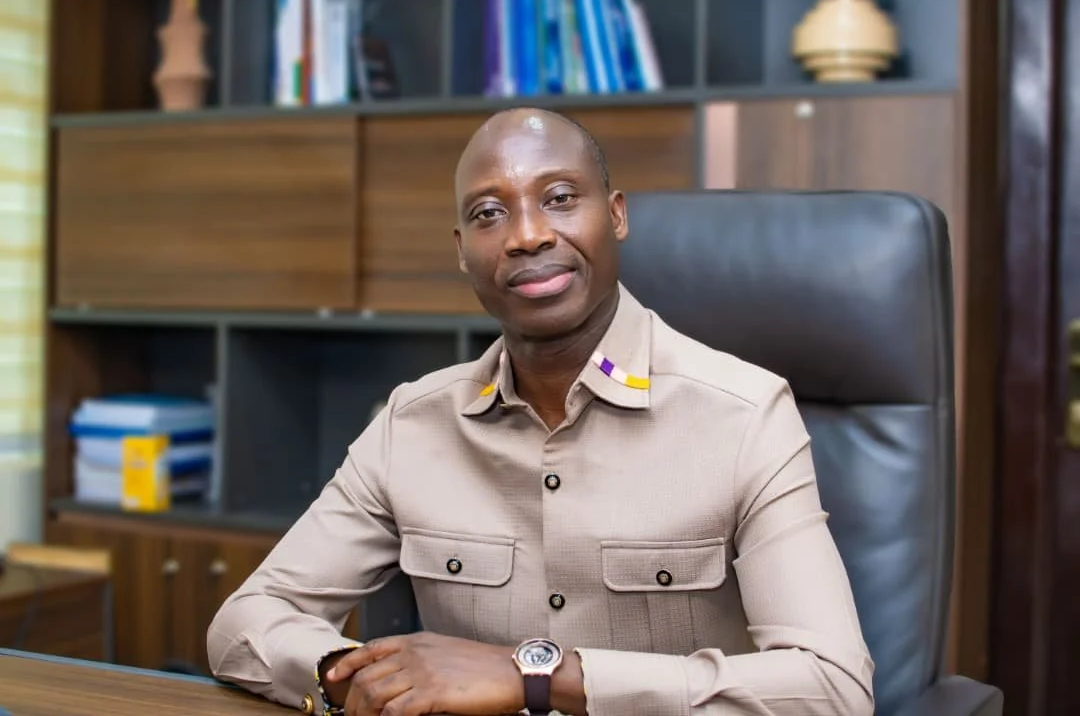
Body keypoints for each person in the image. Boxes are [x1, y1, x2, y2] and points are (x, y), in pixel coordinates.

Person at [207, 107, 875, 716]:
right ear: (462, 251)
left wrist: (538, 675)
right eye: (489, 213)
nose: (526, 235)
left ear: (615, 215)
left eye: (559, 199)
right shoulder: (410, 425)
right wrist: (356, 678)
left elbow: (832, 689)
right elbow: (245, 622)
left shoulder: (746, 416)